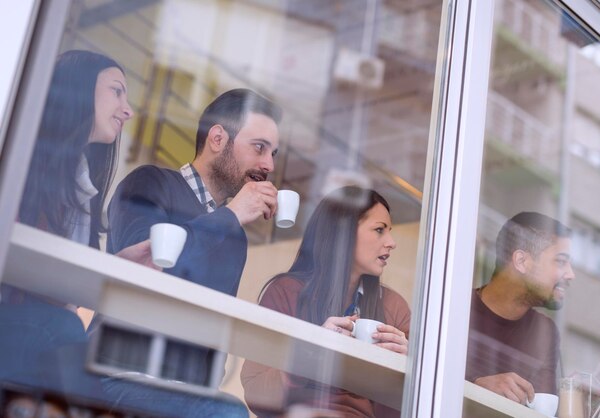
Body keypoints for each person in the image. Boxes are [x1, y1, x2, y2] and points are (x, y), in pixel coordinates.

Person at [2, 49, 151, 410]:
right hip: (16, 323)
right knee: (67, 333)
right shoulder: (22, 161)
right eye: (117, 91)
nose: (128, 110)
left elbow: (64, 291)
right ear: (80, 89)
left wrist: (117, 264)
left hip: (40, 328)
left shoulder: (80, 181)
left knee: (76, 337)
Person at [241, 186, 410, 418]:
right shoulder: (287, 292)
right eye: (379, 230)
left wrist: (406, 371)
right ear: (344, 232)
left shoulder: (394, 307)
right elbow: (255, 393)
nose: (391, 242)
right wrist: (310, 354)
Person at [107, 88, 282, 296]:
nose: (269, 165)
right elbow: (140, 271)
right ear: (217, 139)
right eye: (259, 147)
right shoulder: (148, 183)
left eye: (273, 153)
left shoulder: (236, 236)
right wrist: (232, 215)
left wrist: (231, 218)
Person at [465, 211, 575, 405]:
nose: (570, 274)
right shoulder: (454, 309)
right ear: (522, 261)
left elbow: (543, 408)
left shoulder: (546, 332)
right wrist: (476, 386)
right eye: (560, 261)